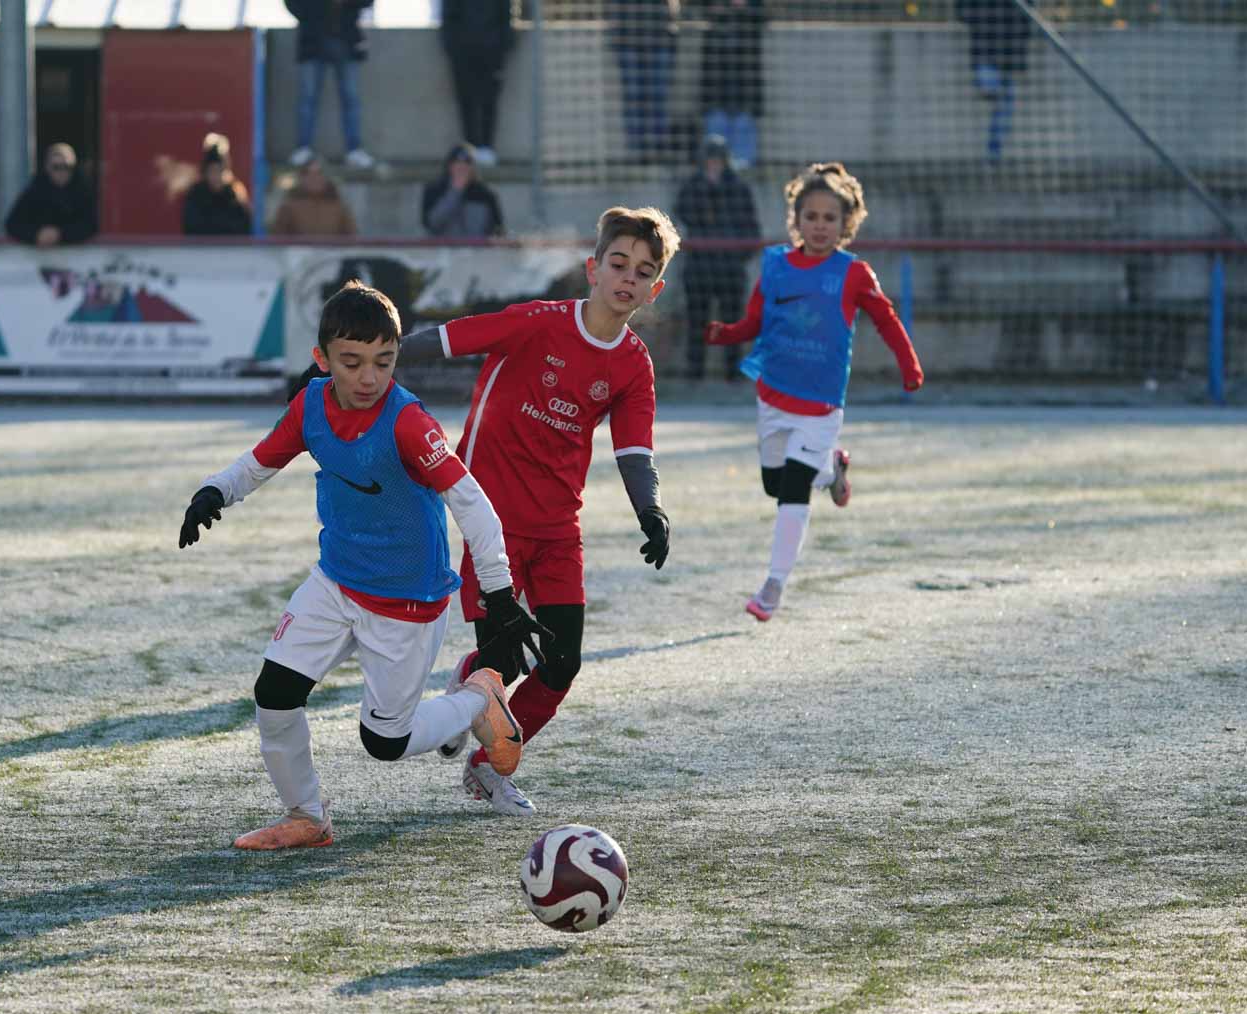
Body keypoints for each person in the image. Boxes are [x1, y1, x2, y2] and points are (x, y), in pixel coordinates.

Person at [179, 280, 550, 851]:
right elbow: (258, 462)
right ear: (321, 360)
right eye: (351, 363)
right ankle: (307, 816)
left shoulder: (409, 422)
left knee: (385, 743)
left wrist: (499, 595)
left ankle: (477, 698)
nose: (369, 377)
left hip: (407, 603)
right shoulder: (310, 406)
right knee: (274, 694)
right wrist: (215, 491)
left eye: (384, 361)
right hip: (335, 583)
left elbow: (471, 502)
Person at [396, 206, 680, 817]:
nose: (628, 277)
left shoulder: (633, 364)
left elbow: (634, 449)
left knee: (561, 662)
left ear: (655, 289)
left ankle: (481, 760)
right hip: (489, 517)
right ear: (593, 268)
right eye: (619, 263)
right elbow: (449, 339)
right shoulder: (536, 323)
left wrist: (650, 510)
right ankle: (475, 703)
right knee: (503, 662)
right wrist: (373, 359)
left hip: (557, 524)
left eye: (644, 271)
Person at [704, 163, 924, 622]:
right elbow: (754, 321)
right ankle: (833, 471)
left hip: (821, 406)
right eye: (811, 216)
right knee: (775, 484)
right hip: (773, 395)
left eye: (830, 218)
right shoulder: (775, 265)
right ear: (796, 219)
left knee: (792, 490)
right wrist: (726, 334)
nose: (820, 225)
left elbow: (886, 320)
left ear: (847, 224)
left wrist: (909, 365)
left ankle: (772, 587)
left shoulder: (854, 273)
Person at [673, 134, 760, 380]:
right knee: (697, 322)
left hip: (729, 268)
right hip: (699, 267)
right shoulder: (691, 187)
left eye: (718, 160)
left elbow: (751, 228)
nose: (714, 165)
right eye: (710, 160)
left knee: (731, 322)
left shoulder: (739, 188)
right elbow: (682, 218)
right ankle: (694, 374)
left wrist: (739, 257)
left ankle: (731, 374)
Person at [286, 0, 378, 170]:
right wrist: (311, 15)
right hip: (312, 40)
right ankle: (303, 148)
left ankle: (354, 150)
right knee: (308, 98)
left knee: (351, 99)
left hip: (347, 39)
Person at [956, 0, 1032, 162]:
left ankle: (994, 153)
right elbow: (962, 11)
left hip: (1008, 53)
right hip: (986, 48)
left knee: (1004, 104)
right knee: (996, 91)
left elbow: (1029, 13)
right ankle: (990, 90)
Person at [440, 0, 514, 167]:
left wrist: (502, 47)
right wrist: (453, 49)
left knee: (490, 100)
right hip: (463, 54)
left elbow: (505, 18)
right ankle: (470, 147)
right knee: (466, 100)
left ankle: (487, 147)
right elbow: (448, 19)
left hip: (492, 53)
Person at [605, 0, 678, 157]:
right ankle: (636, 149)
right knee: (633, 95)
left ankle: (659, 147)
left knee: (659, 95)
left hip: (658, 39)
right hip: (628, 40)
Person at [699, 0, 765, 167]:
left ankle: (742, 169)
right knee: (716, 123)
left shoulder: (750, 21)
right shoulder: (714, 27)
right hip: (716, 95)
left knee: (743, 124)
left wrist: (744, 7)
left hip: (744, 94)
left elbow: (763, 16)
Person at [4, 143, 97, 247]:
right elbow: (13, 224)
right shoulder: (35, 191)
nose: (62, 172)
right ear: (47, 167)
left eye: (67, 167)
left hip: (76, 258)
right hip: (37, 258)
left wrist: (60, 234)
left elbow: (91, 224)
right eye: (56, 167)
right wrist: (36, 234)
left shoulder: (82, 193)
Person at [421, 144, 504, 238]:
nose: (462, 167)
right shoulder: (433, 191)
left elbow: (498, 231)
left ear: (473, 168)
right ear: (449, 166)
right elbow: (431, 224)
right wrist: (455, 192)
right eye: (457, 163)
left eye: (467, 163)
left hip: (478, 252)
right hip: (442, 251)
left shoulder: (486, 195)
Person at [182, 133, 253, 236]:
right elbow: (191, 227)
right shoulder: (195, 194)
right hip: (201, 250)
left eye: (219, 171)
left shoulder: (236, 192)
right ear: (205, 172)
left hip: (230, 250)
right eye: (212, 171)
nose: (216, 176)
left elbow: (244, 226)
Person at [270, 155, 357, 236]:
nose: (314, 178)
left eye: (318, 174)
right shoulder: (288, 207)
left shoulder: (339, 208)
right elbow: (277, 238)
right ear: (302, 178)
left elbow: (352, 237)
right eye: (309, 174)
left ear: (325, 178)